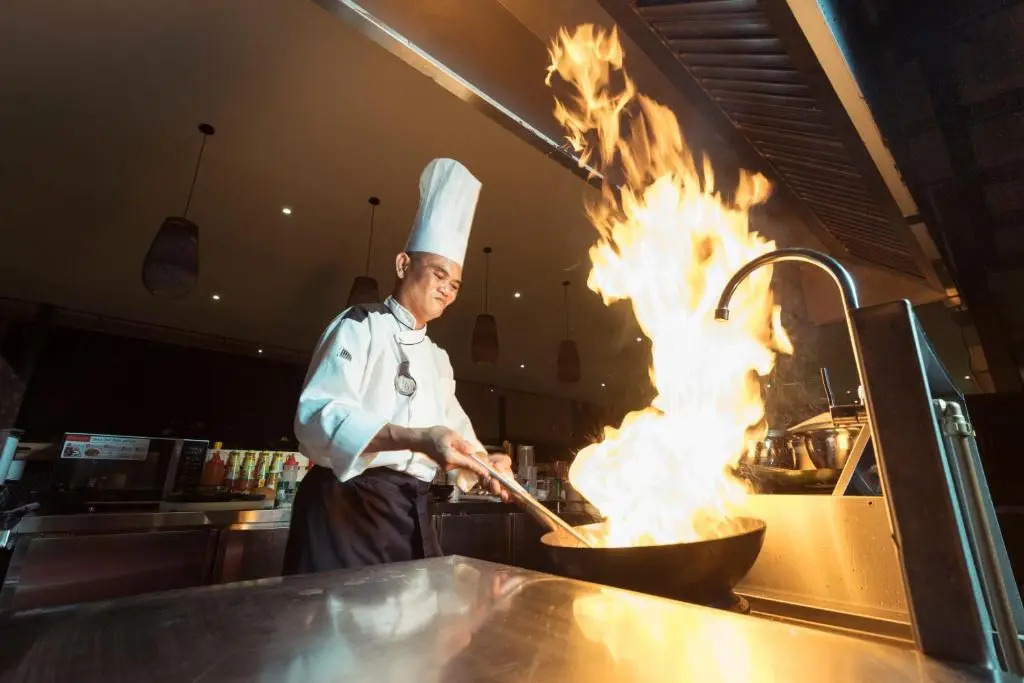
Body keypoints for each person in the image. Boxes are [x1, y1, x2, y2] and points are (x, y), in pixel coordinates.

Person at [283, 158, 512, 574]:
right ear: (403, 264)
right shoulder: (359, 325)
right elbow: (317, 417)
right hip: (347, 509)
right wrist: (417, 438)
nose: (447, 290)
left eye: (455, 284)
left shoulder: (437, 359)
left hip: (409, 513)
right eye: (439, 274)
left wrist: (485, 462)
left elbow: (455, 430)